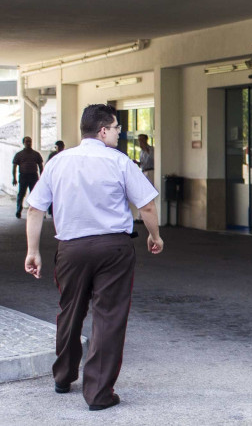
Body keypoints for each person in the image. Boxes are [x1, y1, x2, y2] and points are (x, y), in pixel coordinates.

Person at [23, 104, 163, 411]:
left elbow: (35, 209)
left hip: (70, 249)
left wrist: (33, 251)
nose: (118, 134)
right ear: (102, 130)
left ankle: (63, 377)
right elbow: (147, 206)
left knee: (70, 310)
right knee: (109, 316)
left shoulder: (59, 162)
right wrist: (155, 236)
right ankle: (99, 394)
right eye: (115, 128)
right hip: (113, 248)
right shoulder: (119, 162)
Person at [12, 136, 44, 218]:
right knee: (21, 194)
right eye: (27, 141)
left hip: (33, 176)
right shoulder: (19, 154)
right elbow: (14, 167)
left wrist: (42, 178)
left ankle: (35, 211)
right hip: (23, 176)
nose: (29, 143)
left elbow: (41, 166)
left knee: (34, 194)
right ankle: (19, 210)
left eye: (30, 141)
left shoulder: (36, 154)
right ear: (23, 143)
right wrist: (14, 178)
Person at [46, 141, 65, 216]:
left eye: (61, 146)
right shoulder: (52, 155)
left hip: (63, 177)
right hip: (54, 176)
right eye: (58, 146)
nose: (59, 148)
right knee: (52, 194)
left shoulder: (66, 155)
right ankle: (51, 211)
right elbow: (48, 165)